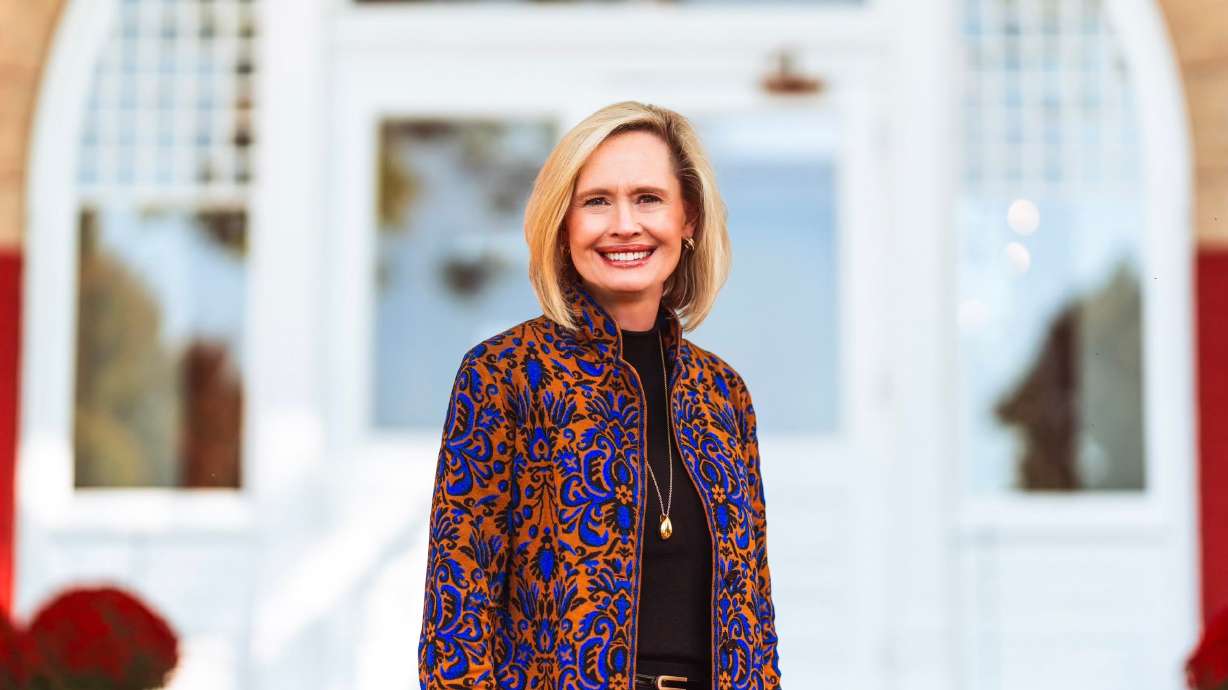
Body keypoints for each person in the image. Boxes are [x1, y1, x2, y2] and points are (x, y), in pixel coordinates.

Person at [417, 101, 781, 690]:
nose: (624, 225)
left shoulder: (723, 394)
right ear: (563, 225)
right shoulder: (505, 373)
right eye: (596, 202)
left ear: (688, 218)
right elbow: (459, 600)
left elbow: (754, 616)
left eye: (648, 198)